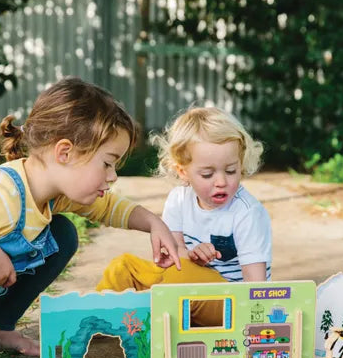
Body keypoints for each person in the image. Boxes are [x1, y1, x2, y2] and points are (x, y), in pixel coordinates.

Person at [0, 77, 181, 356]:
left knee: (62, 234)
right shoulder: (1, 193)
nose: (112, 176)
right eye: (107, 163)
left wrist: (154, 223)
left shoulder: (57, 195)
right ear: (65, 152)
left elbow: (110, 208)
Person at [96, 105, 272, 325]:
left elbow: (256, 286)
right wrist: (193, 256)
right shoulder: (179, 198)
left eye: (231, 171)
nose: (221, 181)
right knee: (124, 267)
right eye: (207, 174)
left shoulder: (247, 212)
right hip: (189, 286)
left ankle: (143, 321)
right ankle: (95, 321)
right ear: (183, 172)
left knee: (176, 278)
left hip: (232, 305)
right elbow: (176, 254)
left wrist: (253, 326)